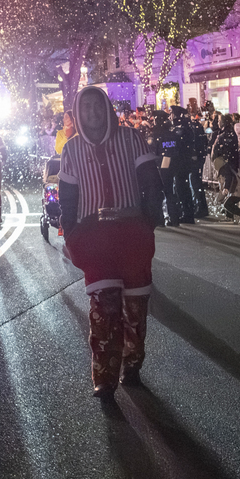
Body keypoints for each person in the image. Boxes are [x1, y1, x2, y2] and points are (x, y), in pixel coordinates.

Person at [57, 86, 164, 397]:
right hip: (94, 239)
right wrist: (73, 236)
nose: (92, 113)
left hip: (132, 234)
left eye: (96, 106)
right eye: (85, 108)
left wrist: (148, 225)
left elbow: (151, 186)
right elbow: (68, 201)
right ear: (78, 113)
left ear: (106, 108)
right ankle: (104, 378)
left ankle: (132, 365)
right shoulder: (71, 150)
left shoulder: (132, 139)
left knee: (135, 309)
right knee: (103, 311)